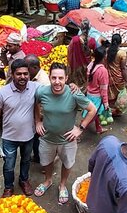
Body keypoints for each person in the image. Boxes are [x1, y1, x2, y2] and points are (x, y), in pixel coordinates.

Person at [34, 63, 97, 204]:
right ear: (49, 78)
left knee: (67, 164)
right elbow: (35, 105)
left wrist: (80, 128)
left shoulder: (74, 93)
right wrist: (38, 121)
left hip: (67, 139)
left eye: (61, 78)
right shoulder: (41, 92)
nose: (57, 82)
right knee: (46, 161)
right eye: (54, 78)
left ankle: (62, 185)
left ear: (66, 78)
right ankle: (48, 181)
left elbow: (92, 109)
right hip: (47, 137)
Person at [0, 59, 37, 198]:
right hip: (9, 137)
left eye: (25, 74)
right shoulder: (2, 93)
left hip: (29, 136)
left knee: (26, 160)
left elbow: (53, 87)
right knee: (9, 165)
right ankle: (8, 187)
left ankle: (24, 180)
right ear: (12, 74)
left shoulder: (35, 87)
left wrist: (70, 85)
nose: (23, 77)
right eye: (19, 74)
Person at [85, 46, 110, 134]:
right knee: (91, 116)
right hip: (97, 98)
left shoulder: (91, 65)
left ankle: (98, 128)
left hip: (89, 94)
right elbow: (104, 89)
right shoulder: (102, 71)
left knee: (96, 114)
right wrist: (106, 104)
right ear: (104, 57)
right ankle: (77, 133)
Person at [67, 19, 97, 88]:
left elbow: (69, 50)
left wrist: (70, 62)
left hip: (76, 66)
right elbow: (95, 53)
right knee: (84, 83)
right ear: (90, 29)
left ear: (80, 28)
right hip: (86, 66)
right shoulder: (92, 41)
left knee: (75, 84)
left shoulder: (75, 39)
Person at [106, 33, 127, 114]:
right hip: (118, 78)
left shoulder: (107, 50)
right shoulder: (122, 53)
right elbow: (123, 68)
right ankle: (116, 111)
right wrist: (126, 80)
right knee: (119, 95)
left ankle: (108, 110)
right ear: (120, 42)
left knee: (110, 94)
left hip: (109, 76)